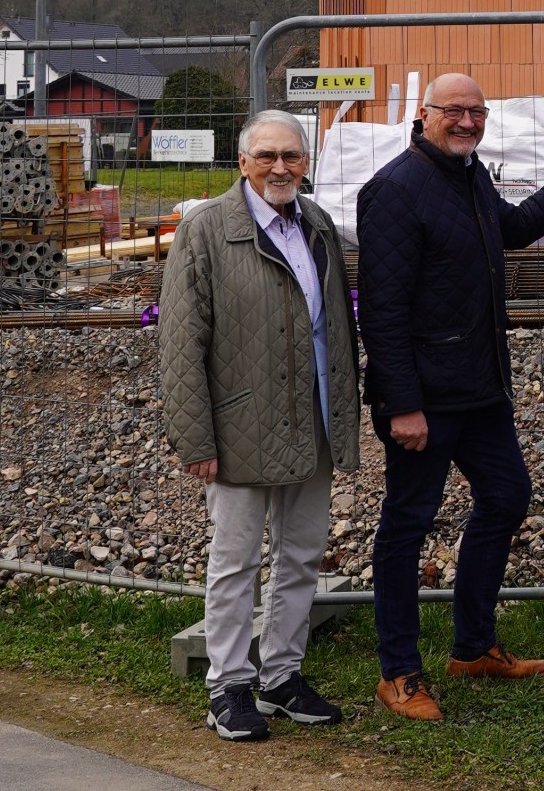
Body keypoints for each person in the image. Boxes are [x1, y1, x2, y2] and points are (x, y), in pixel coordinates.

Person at [357, 73, 544, 720]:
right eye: (455, 111)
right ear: (424, 114)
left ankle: (471, 646)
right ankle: (399, 671)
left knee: (506, 496)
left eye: (477, 112)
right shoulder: (393, 190)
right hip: (424, 398)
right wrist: (401, 403)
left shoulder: (468, 175)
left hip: (478, 390)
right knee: (406, 524)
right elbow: (381, 312)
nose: (468, 121)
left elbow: (514, 229)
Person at [161, 109, 360, 741]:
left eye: (292, 156)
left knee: (301, 555)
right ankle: (229, 685)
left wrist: (347, 419)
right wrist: (195, 438)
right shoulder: (207, 230)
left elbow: (337, 331)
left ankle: (280, 675)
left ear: (306, 163)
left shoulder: (318, 224)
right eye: (267, 156)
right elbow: (180, 342)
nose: (281, 167)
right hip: (239, 424)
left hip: (312, 423)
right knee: (236, 560)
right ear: (243, 163)